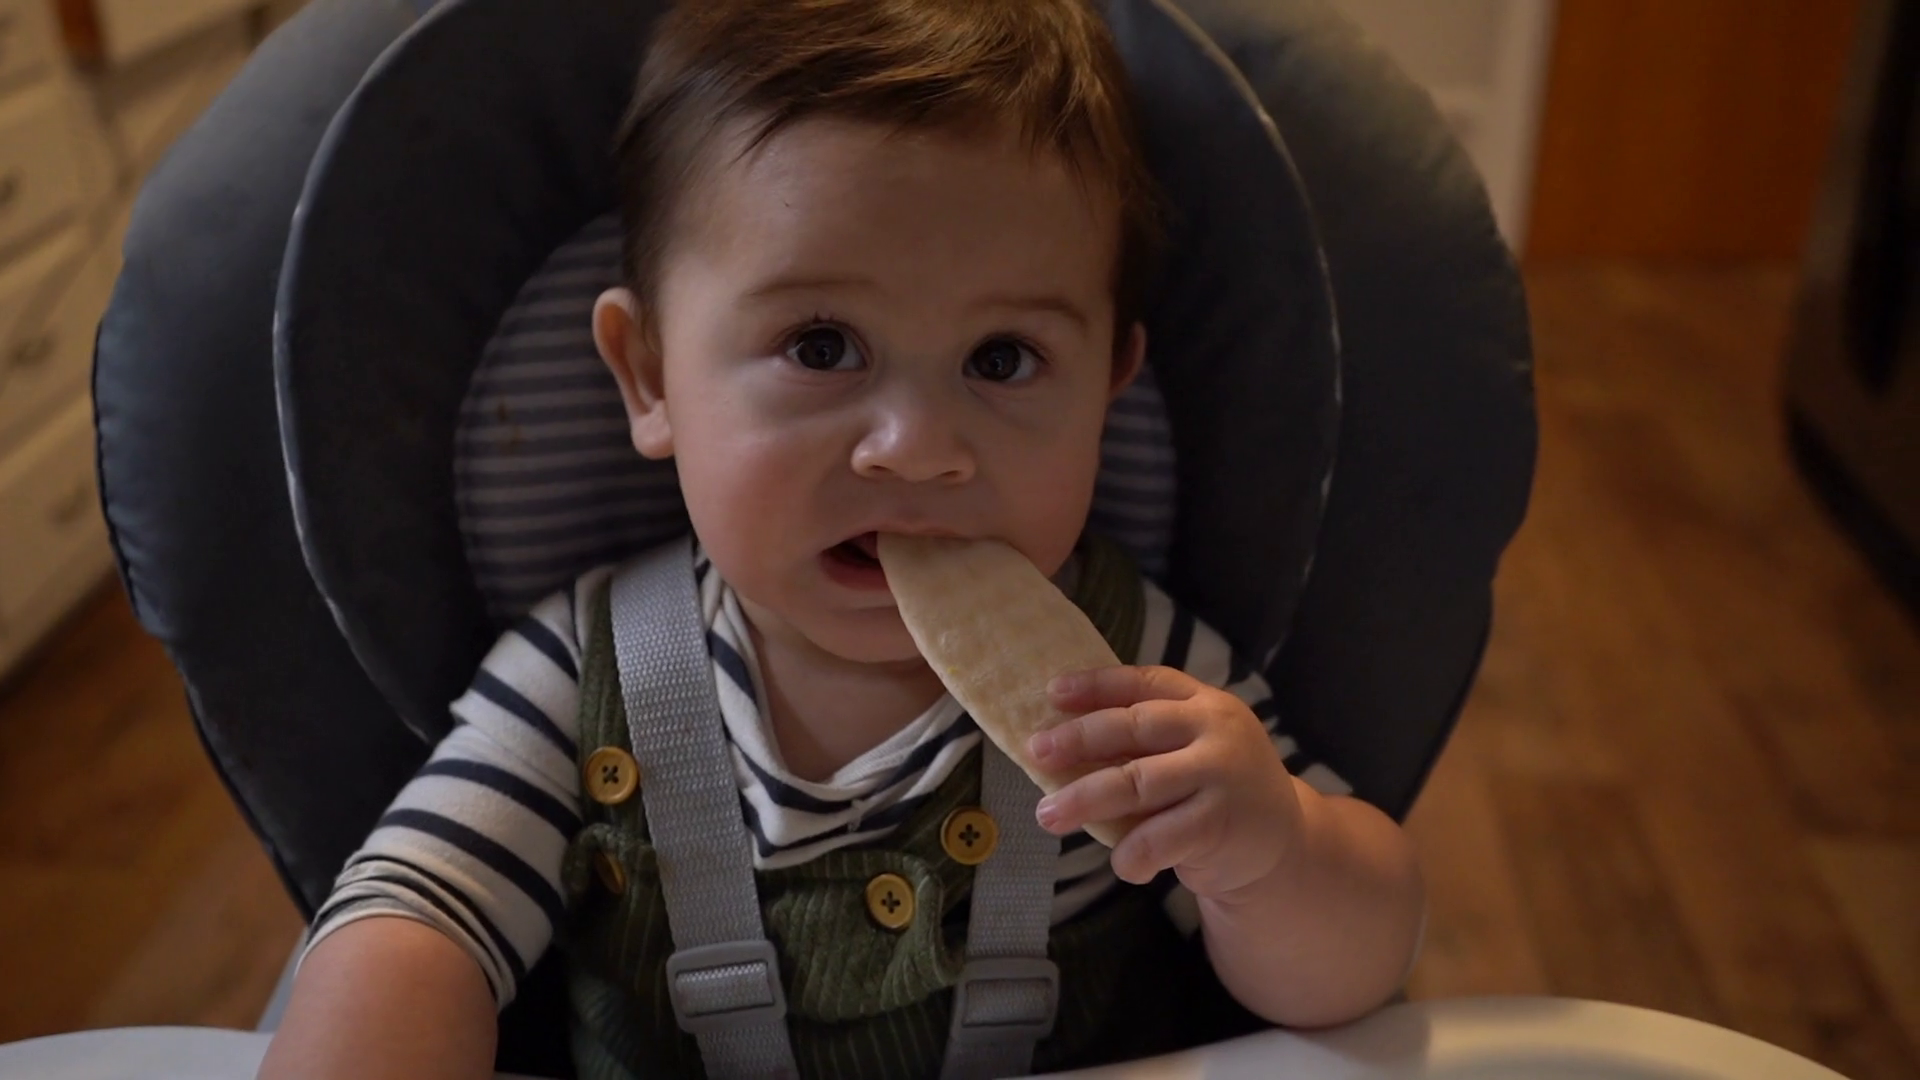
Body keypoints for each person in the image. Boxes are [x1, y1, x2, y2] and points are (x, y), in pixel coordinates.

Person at [259, 1, 1425, 1077]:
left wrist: (1268, 850)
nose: (916, 448)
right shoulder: (580, 678)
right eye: (822, 347)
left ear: (1110, 387)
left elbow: (1353, 975)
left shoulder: (1132, 678)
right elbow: (414, 916)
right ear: (649, 375)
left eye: (1004, 359)